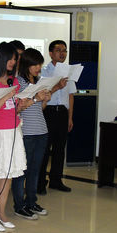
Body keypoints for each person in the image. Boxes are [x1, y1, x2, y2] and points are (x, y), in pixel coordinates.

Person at [0, 42, 33, 231]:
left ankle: (1, 212)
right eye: (11, 59)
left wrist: (23, 104)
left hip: (14, 131)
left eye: (15, 59)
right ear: (2, 58)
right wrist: (5, 96)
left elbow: (14, 108)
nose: (13, 62)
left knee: (9, 175)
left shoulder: (13, 81)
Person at [13, 48, 51, 219]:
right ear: (26, 64)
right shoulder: (19, 82)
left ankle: (31, 202)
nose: (38, 68)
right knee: (22, 171)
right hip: (26, 131)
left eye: (39, 65)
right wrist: (36, 98)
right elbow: (18, 107)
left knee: (35, 170)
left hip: (41, 130)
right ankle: (19, 205)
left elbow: (39, 109)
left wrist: (45, 100)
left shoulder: (38, 81)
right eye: (35, 64)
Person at [39, 40, 75, 193]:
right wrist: (57, 86)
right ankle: (40, 183)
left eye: (64, 50)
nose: (62, 53)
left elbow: (71, 95)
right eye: (59, 50)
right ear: (51, 53)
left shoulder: (69, 72)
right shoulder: (43, 72)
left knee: (60, 149)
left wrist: (70, 117)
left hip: (63, 113)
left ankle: (56, 180)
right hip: (48, 111)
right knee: (44, 149)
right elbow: (41, 94)